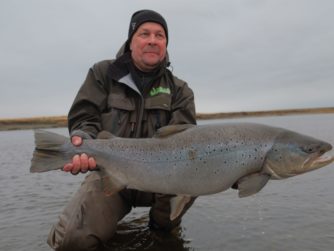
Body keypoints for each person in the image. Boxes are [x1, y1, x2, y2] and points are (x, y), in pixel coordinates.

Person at [47, 9, 197, 251]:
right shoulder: (103, 74)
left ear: (166, 43)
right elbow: (85, 116)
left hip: (164, 182)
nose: (152, 40)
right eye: (144, 33)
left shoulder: (180, 90)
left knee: (164, 240)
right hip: (112, 174)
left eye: (160, 35)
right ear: (131, 41)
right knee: (72, 242)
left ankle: (162, 230)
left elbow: (185, 141)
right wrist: (82, 140)